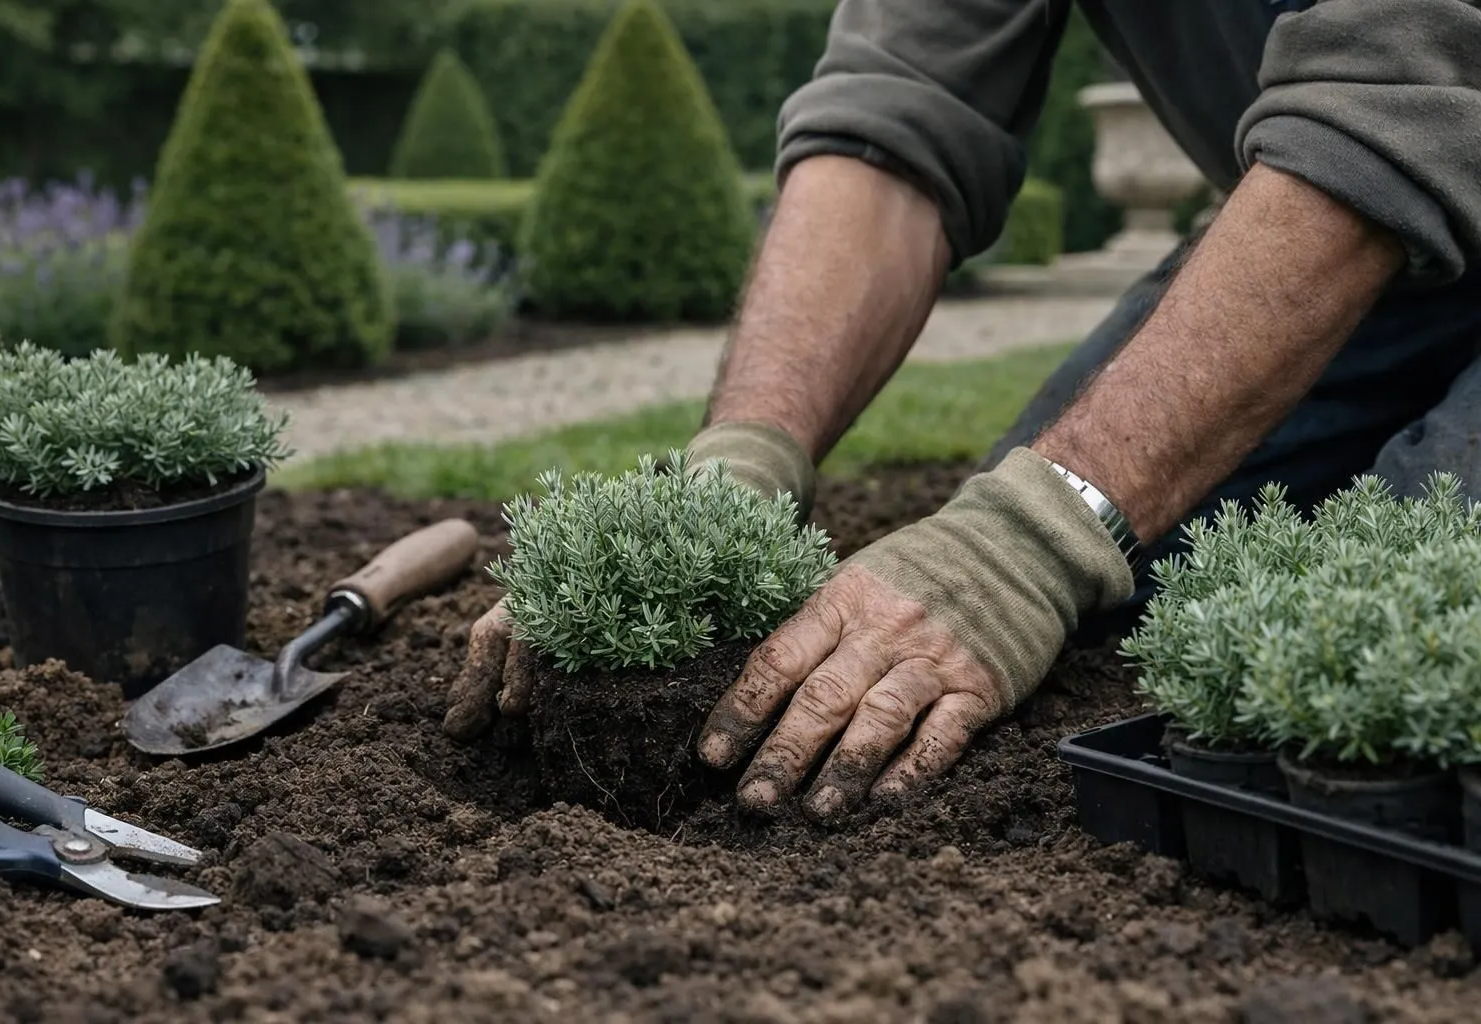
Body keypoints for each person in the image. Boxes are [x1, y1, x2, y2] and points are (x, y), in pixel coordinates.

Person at [445, 0, 1481, 823]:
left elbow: (1402, 84)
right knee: (1085, 585)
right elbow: (899, 102)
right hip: (1371, 255)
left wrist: (1034, 535)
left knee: (1385, 605)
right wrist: (738, 464)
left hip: (1378, 180)